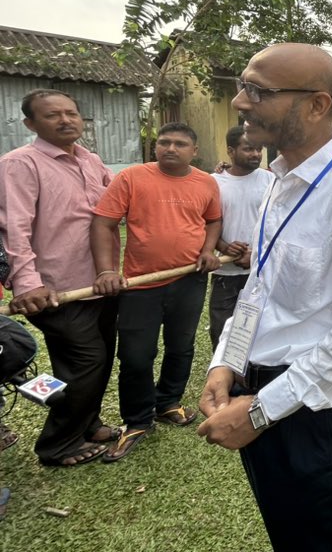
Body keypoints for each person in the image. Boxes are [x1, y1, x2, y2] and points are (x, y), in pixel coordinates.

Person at [198, 44, 332, 551]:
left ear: (316, 105)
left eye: (258, 91)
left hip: (314, 410)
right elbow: (260, 287)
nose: (241, 102)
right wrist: (224, 363)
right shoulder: (279, 179)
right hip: (258, 390)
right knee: (289, 536)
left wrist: (260, 412)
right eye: (244, 87)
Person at [0, 89, 120, 466]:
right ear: (31, 124)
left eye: (71, 113)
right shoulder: (20, 163)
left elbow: (111, 211)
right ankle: (57, 444)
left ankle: (88, 423)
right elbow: (14, 228)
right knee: (88, 362)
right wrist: (28, 282)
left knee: (94, 361)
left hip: (99, 281)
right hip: (55, 288)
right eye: (53, 115)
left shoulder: (91, 159)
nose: (66, 120)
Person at [92, 122, 222, 462]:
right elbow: (104, 223)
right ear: (155, 147)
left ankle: (168, 402)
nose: (170, 148)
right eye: (164, 142)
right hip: (139, 285)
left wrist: (208, 250)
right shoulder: (131, 178)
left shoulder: (206, 182)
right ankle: (136, 420)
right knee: (136, 355)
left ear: (194, 151)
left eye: (180, 143)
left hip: (189, 280)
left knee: (181, 347)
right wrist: (107, 270)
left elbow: (213, 220)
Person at [209, 126, 273, 349]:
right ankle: (223, 382)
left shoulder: (271, 180)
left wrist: (256, 255)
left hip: (262, 272)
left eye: (259, 149)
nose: (256, 154)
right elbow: (205, 224)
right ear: (230, 151)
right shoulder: (213, 182)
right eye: (248, 149)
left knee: (260, 335)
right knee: (222, 335)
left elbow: (278, 225)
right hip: (225, 273)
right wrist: (224, 247)